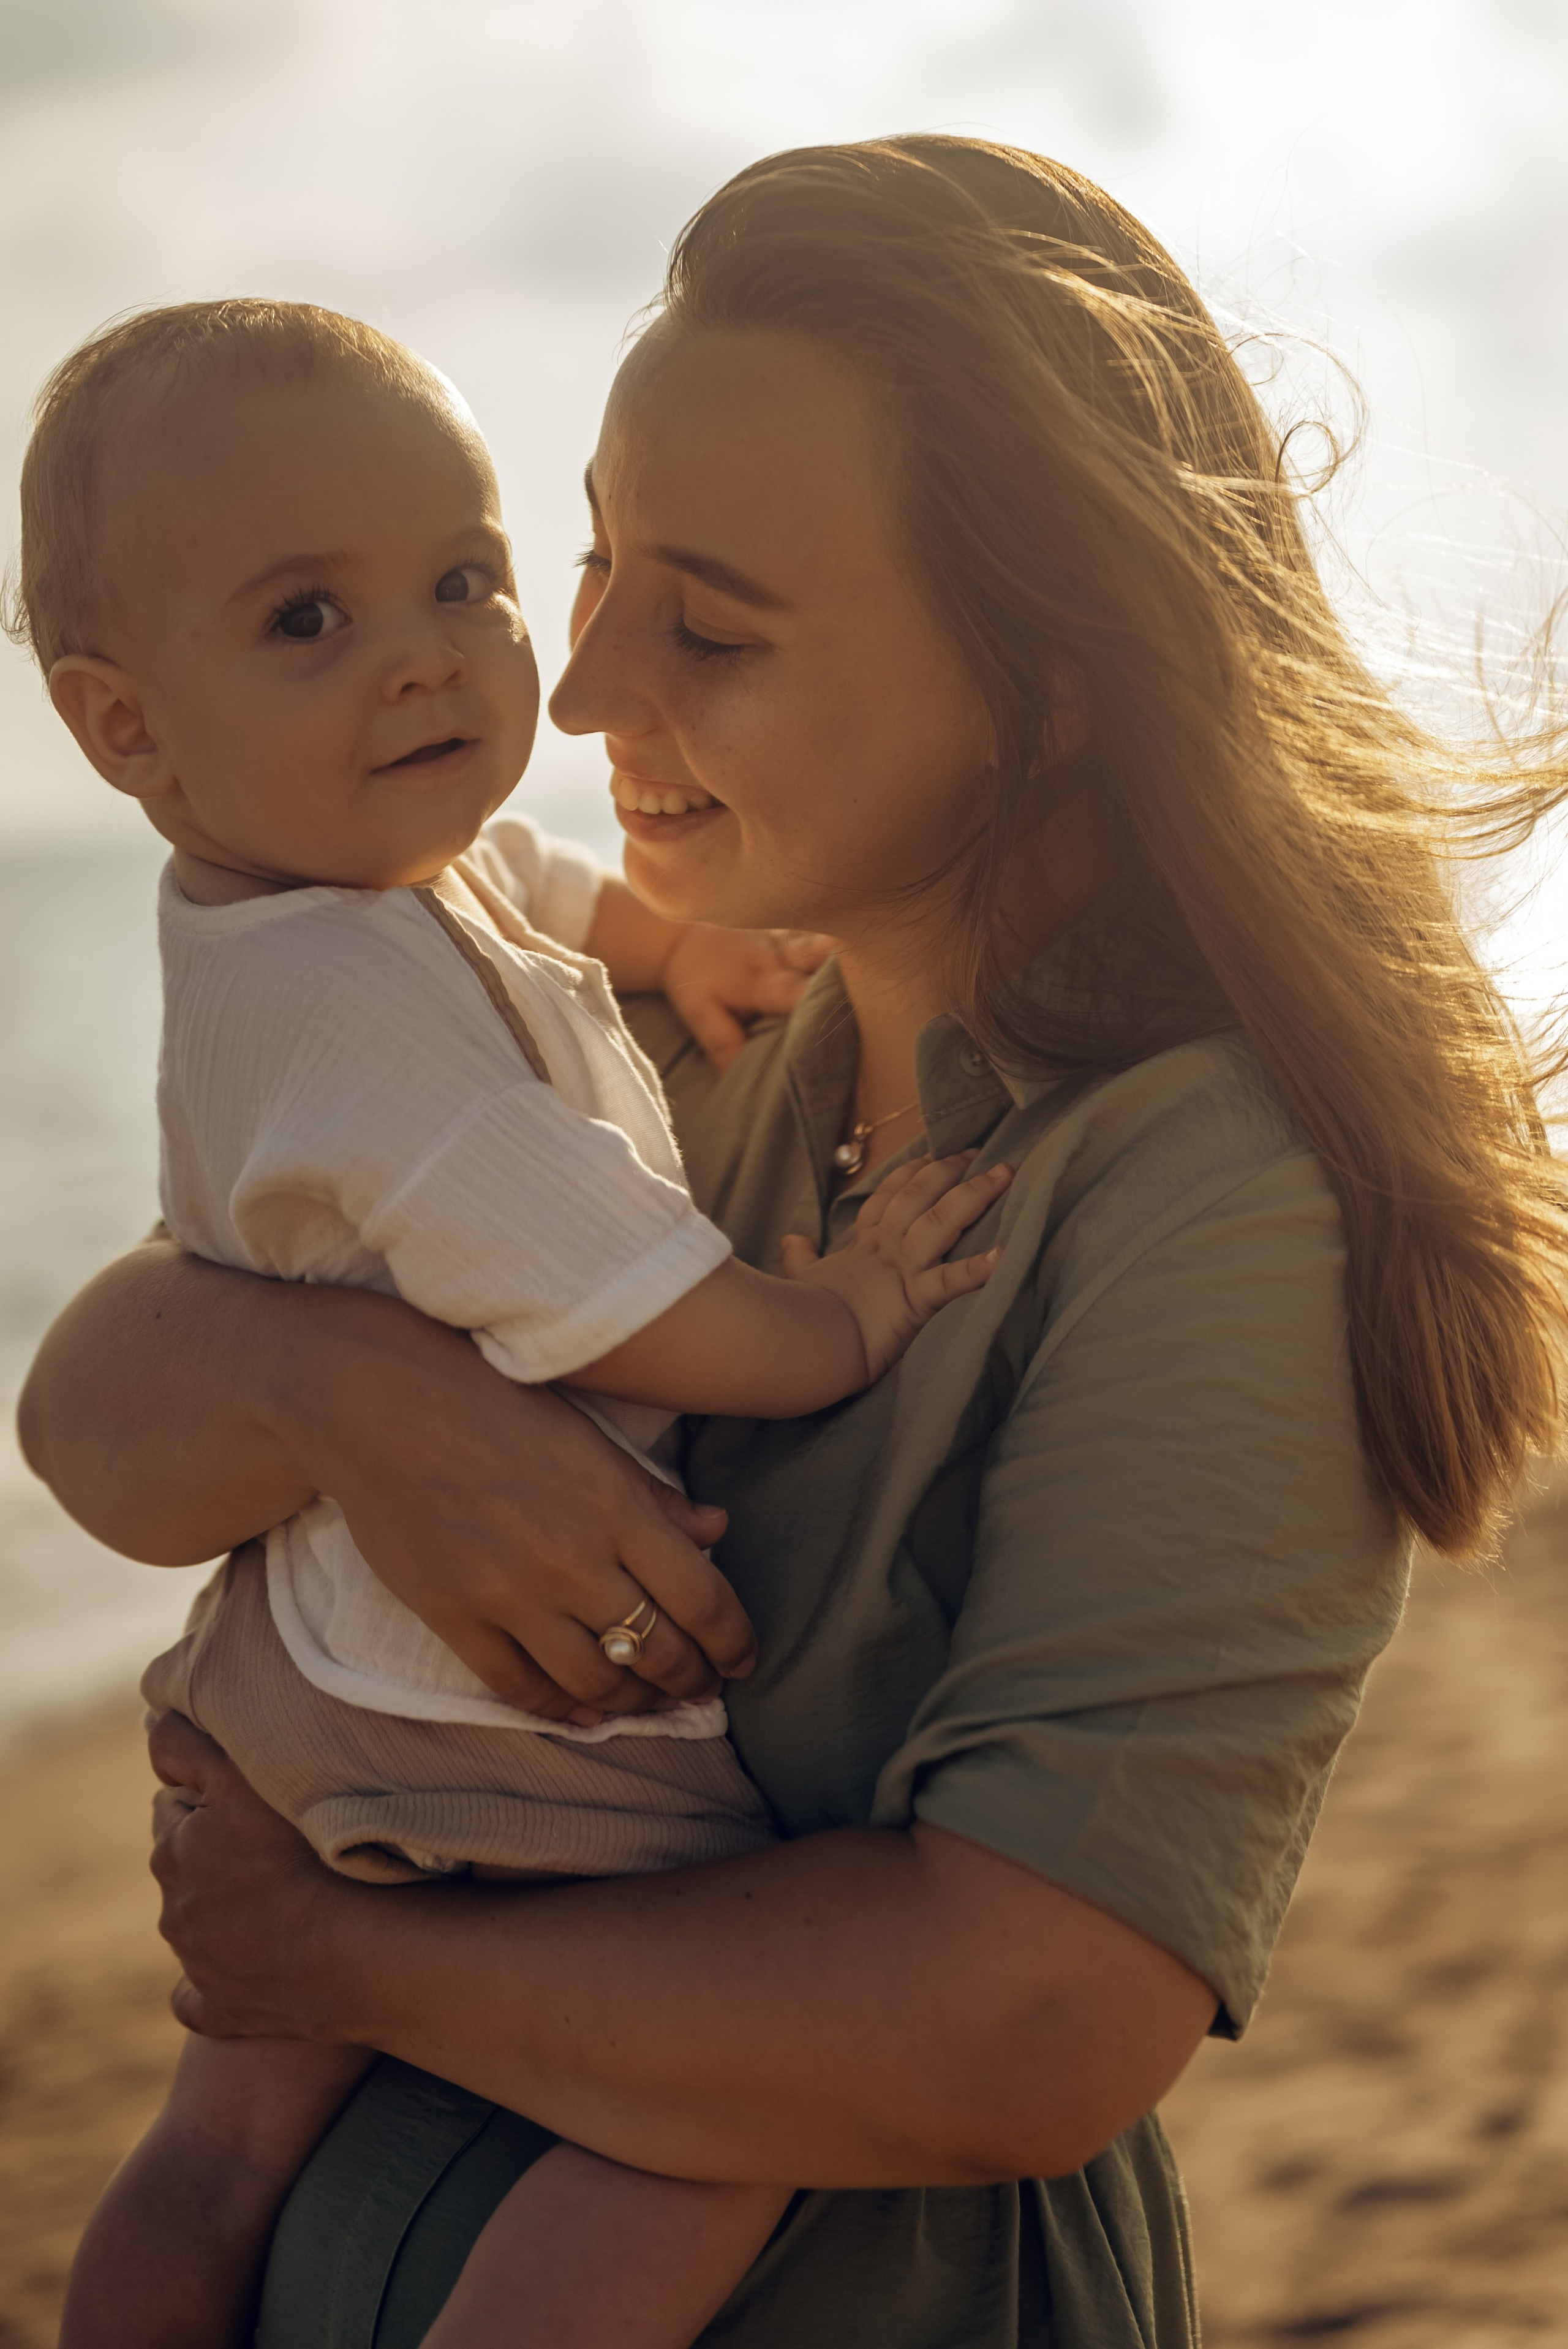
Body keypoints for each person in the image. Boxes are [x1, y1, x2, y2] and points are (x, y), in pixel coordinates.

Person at [18, 138, 1566, 2347]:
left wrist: (341, 1957)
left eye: (711, 622)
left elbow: (1026, 2022)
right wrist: (347, 1393)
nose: (570, 688)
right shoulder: (669, 1008)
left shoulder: (1211, 1194)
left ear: (1044, 687)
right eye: (591, 564)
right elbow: (89, 1430)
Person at [13, 298, 1009, 2349]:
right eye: (307, 618)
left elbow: (531, 880)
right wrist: (840, 1308)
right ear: (123, 729)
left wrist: (663, 939)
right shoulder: (364, 1039)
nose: (426, 653)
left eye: (463, 578)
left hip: (304, 1661)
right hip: (469, 1695)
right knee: (710, 2114)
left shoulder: (335, 876)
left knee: (215, 2144)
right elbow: (621, 1295)